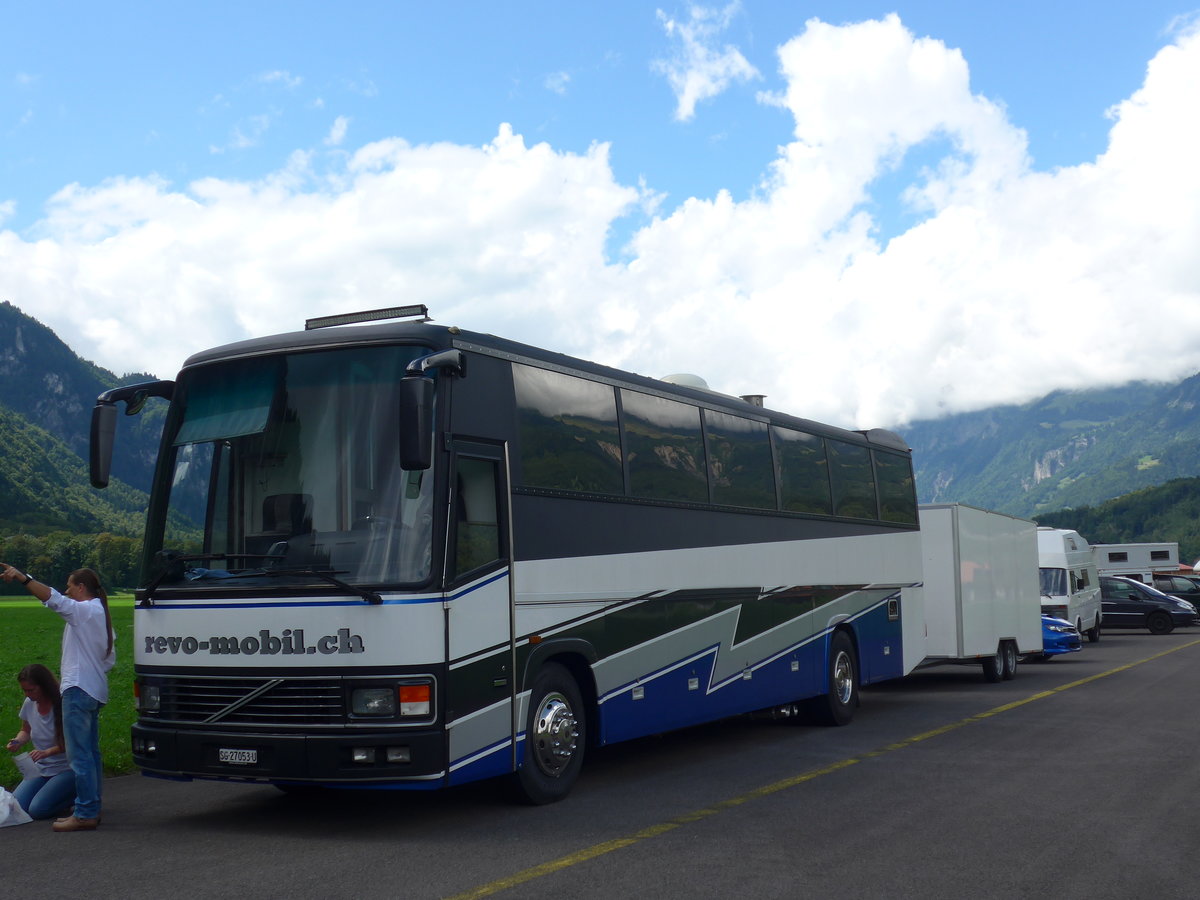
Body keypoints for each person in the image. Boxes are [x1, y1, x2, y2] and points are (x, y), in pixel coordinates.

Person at [1, 565, 114, 832]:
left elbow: (54, 600)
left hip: (78, 689)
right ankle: (90, 808)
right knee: (91, 755)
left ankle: (85, 813)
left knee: (80, 757)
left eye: (70, 585)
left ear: (81, 588)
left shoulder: (85, 611)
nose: (67, 590)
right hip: (95, 690)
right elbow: (109, 660)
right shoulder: (101, 615)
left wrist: (23, 578)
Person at [6, 664, 74, 820]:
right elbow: (26, 730)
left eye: (31, 690)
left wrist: (47, 752)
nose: (27, 694)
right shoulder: (29, 703)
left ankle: (75, 796)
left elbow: (71, 742)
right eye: (24, 690)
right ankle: (53, 794)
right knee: (18, 806)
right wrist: (17, 741)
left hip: (65, 768)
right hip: (42, 768)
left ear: (44, 687)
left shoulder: (62, 705)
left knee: (38, 810)